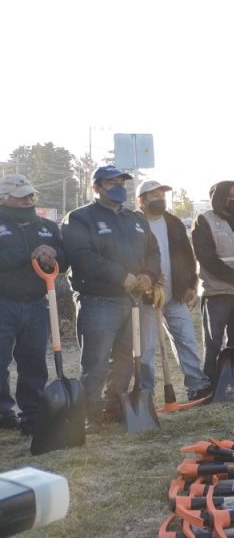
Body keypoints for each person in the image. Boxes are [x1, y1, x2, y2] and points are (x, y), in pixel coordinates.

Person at [62, 165, 160, 427]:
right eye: (111, 183)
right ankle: (90, 415)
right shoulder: (80, 218)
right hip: (98, 300)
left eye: (121, 182)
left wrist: (149, 275)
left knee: (126, 359)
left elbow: (153, 251)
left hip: (133, 300)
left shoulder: (135, 219)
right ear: (96, 187)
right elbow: (82, 256)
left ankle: (116, 409)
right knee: (96, 361)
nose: (119, 186)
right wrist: (121, 276)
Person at [0, 174, 66, 436]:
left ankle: (33, 414)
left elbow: (65, 257)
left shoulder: (48, 227)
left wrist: (53, 253)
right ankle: (3, 413)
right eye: (22, 196)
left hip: (37, 304)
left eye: (30, 195)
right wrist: (26, 254)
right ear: (4, 198)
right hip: (3, 303)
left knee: (34, 362)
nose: (29, 199)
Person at [136, 180, 212, 401]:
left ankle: (197, 385)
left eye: (162, 195)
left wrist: (191, 285)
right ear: (141, 200)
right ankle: (145, 395)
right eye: (154, 195)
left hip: (175, 293)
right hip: (146, 295)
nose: (160, 199)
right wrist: (145, 282)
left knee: (186, 339)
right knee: (146, 348)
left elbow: (188, 257)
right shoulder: (133, 223)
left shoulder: (174, 223)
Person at [192, 180, 234, 384]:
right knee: (213, 341)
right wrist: (233, 276)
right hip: (217, 292)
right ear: (220, 198)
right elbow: (206, 257)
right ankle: (211, 381)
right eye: (232, 196)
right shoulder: (204, 221)